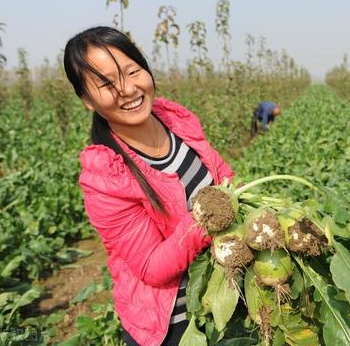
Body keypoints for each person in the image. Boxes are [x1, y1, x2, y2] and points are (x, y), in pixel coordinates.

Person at [63, 26, 234, 346]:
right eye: (107, 84)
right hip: (178, 325)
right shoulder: (105, 179)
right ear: (87, 100)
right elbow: (152, 267)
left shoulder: (175, 120)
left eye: (132, 71)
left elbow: (223, 176)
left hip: (227, 299)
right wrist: (207, 217)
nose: (127, 89)